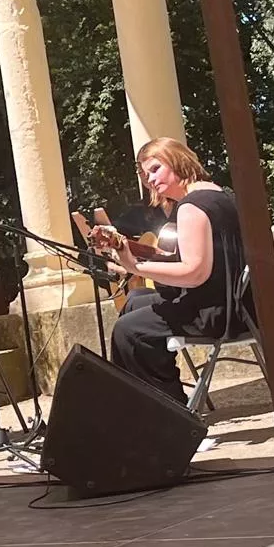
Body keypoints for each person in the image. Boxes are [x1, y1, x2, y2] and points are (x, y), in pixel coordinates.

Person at [106, 137, 254, 404]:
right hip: (236, 303)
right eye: (144, 174)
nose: (149, 179)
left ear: (177, 161)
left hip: (220, 313)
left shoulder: (192, 207)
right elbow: (194, 258)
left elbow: (195, 273)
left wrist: (136, 267)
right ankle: (149, 398)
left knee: (129, 330)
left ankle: (170, 412)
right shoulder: (215, 194)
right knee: (134, 301)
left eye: (155, 168)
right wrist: (127, 252)